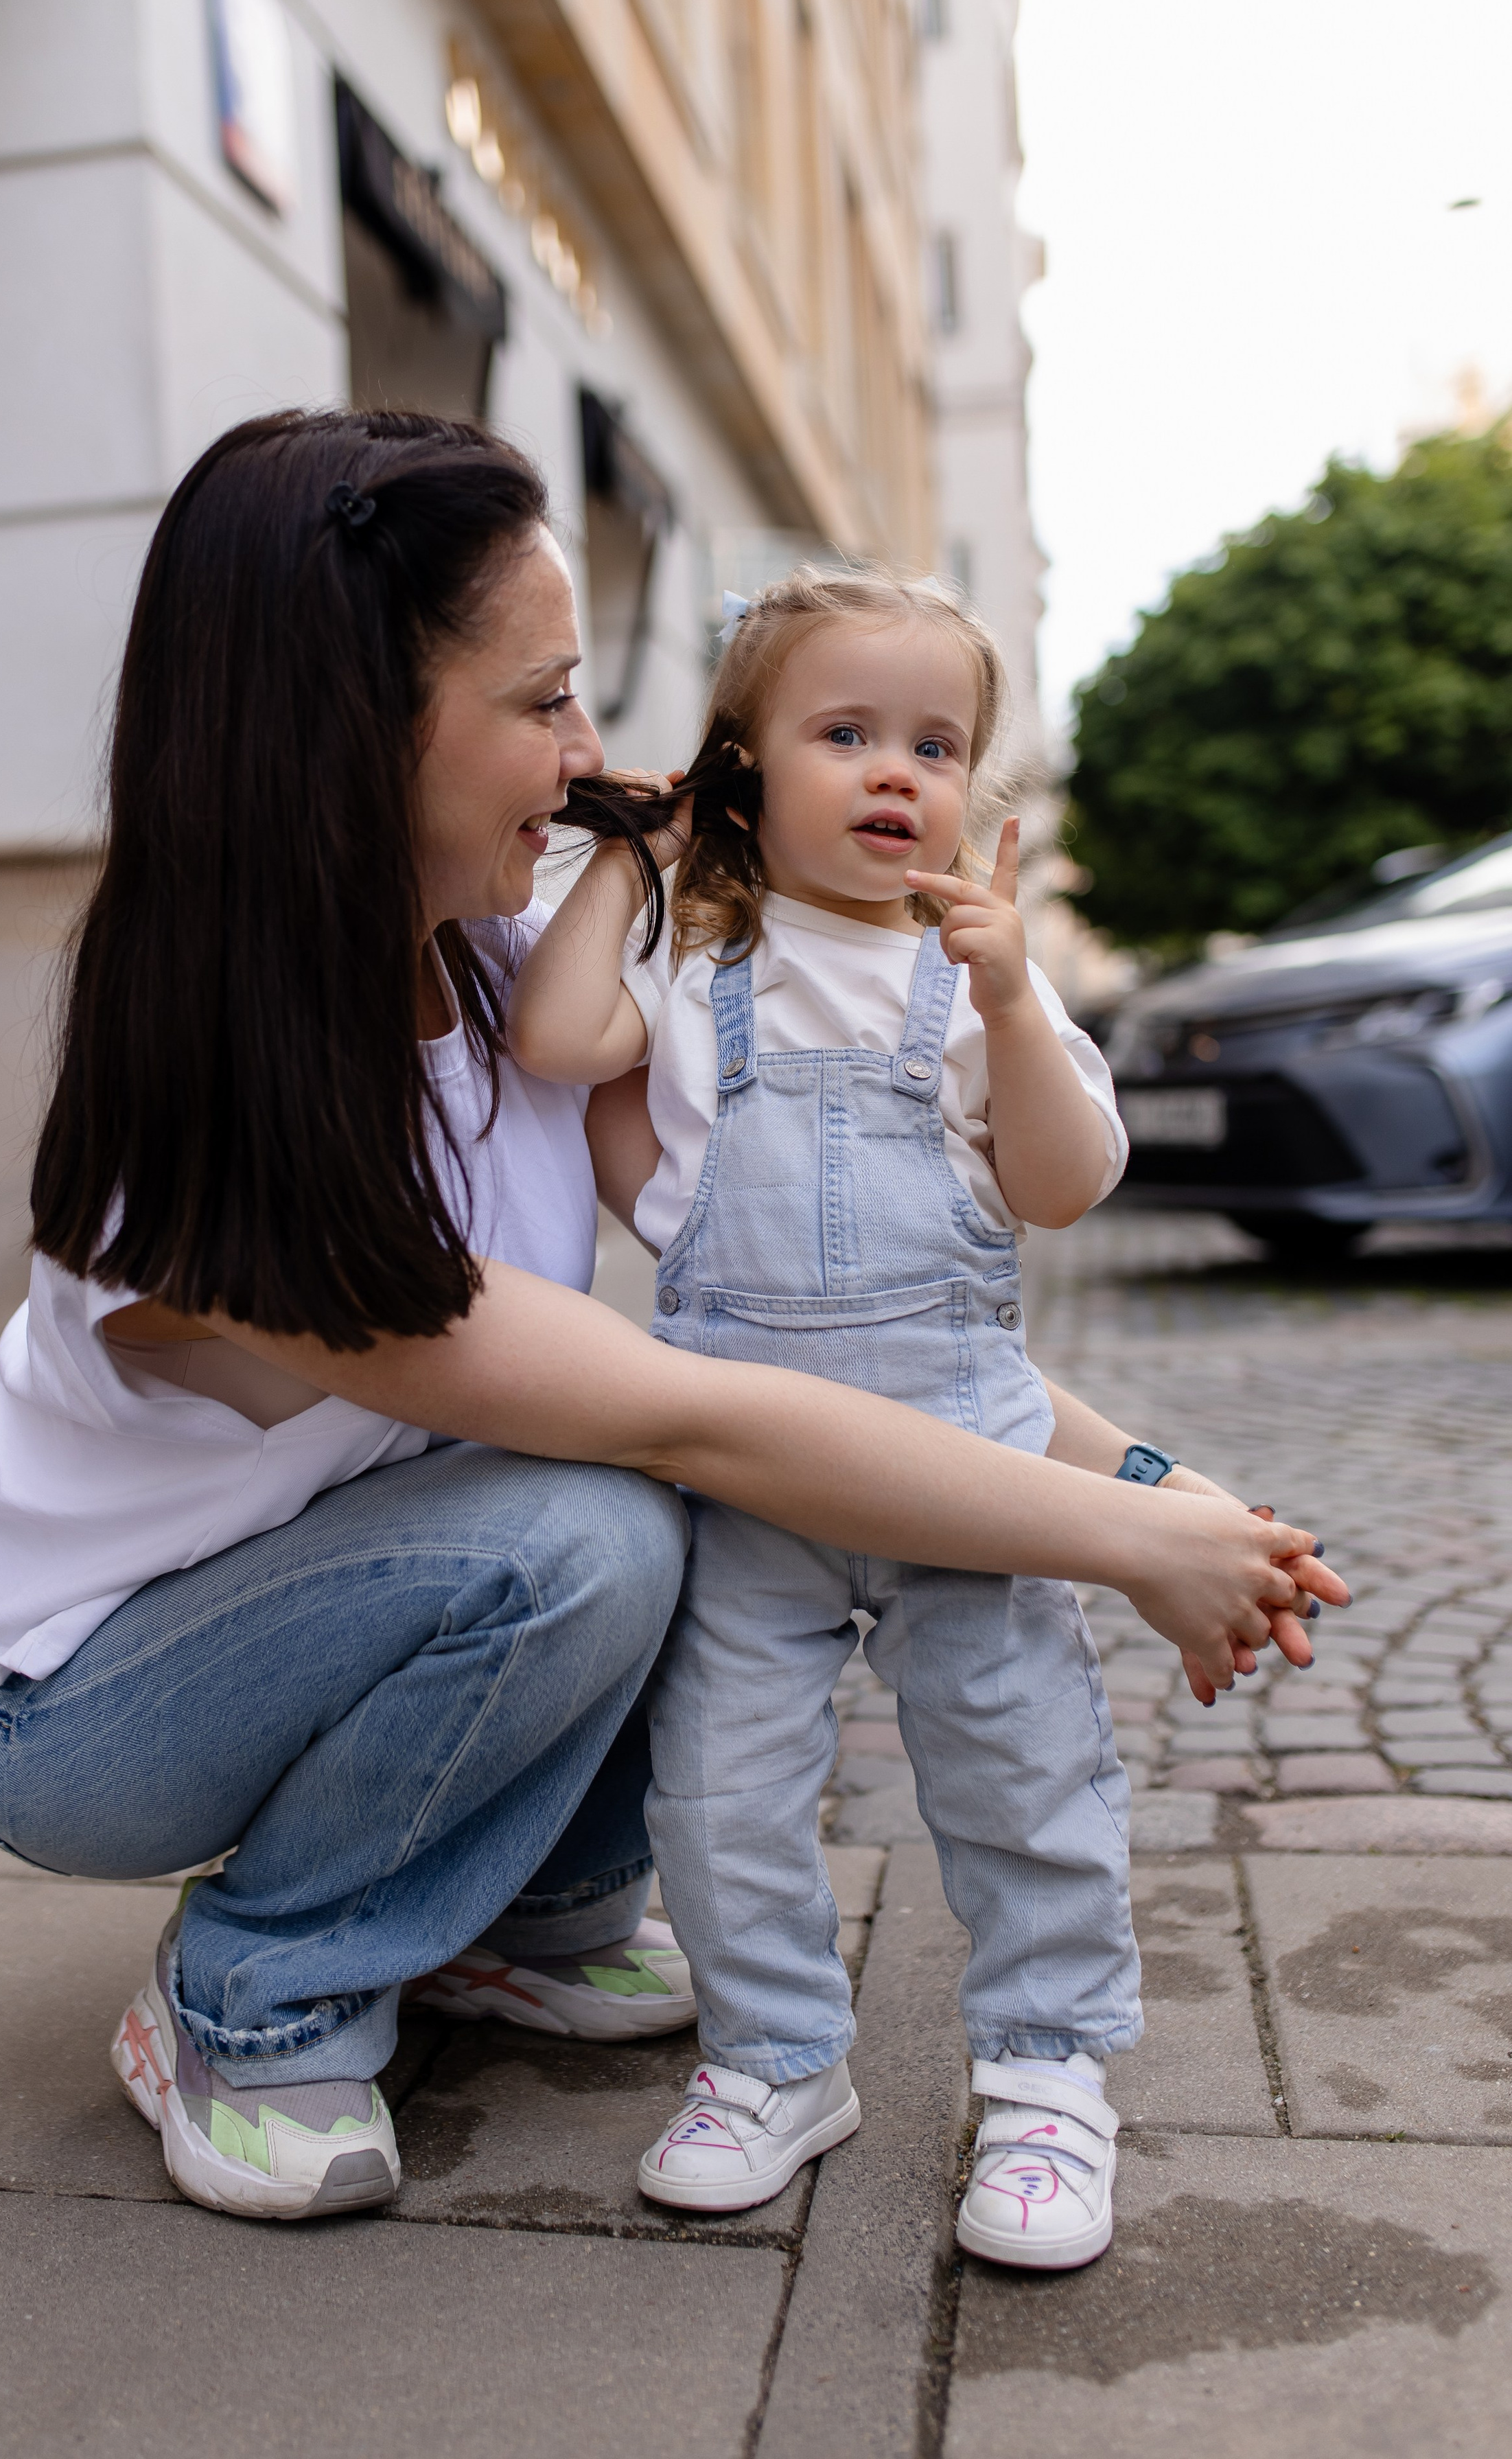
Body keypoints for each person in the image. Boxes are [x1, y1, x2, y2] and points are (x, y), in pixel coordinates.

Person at [0, 412, 1340, 2229]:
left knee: (616, 1508)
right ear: (356, 722)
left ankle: (525, 1921)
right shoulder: (205, 1140)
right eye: (543, 703)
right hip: (89, 1707)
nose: (593, 754)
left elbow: (828, 1338)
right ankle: (249, 1996)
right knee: (591, 1521)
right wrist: (1134, 1543)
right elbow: (699, 1417)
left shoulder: (517, 981)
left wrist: (1171, 1487)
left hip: (371, 1581)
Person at [507, 566, 1330, 2270]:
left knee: (1020, 1774)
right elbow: (546, 1032)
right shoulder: (692, 963)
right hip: (750, 1488)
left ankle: (1043, 2083)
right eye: (842, 732)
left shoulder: (971, 981)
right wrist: (634, 858)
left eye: (935, 743)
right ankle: (775, 2062)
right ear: (739, 770)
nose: (896, 771)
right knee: (721, 1794)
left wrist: (1020, 1000)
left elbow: (1065, 1183)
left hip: (969, 1480)